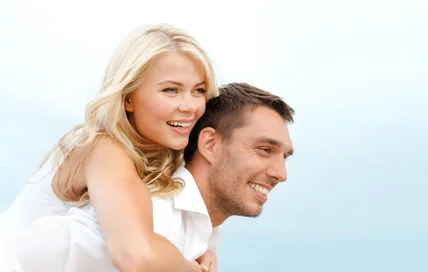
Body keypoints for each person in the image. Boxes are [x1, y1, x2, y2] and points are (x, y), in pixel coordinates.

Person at [0, 23, 221, 271]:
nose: (190, 106)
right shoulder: (104, 147)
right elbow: (134, 255)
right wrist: (192, 267)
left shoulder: (164, 156)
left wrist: (206, 247)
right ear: (128, 98)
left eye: (198, 91)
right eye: (171, 90)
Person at [11, 82, 295, 272]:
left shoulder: (196, 223)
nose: (280, 174)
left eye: (283, 157)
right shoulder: (152, 217)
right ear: (209, 145)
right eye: (264, 149)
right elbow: (36, 248)